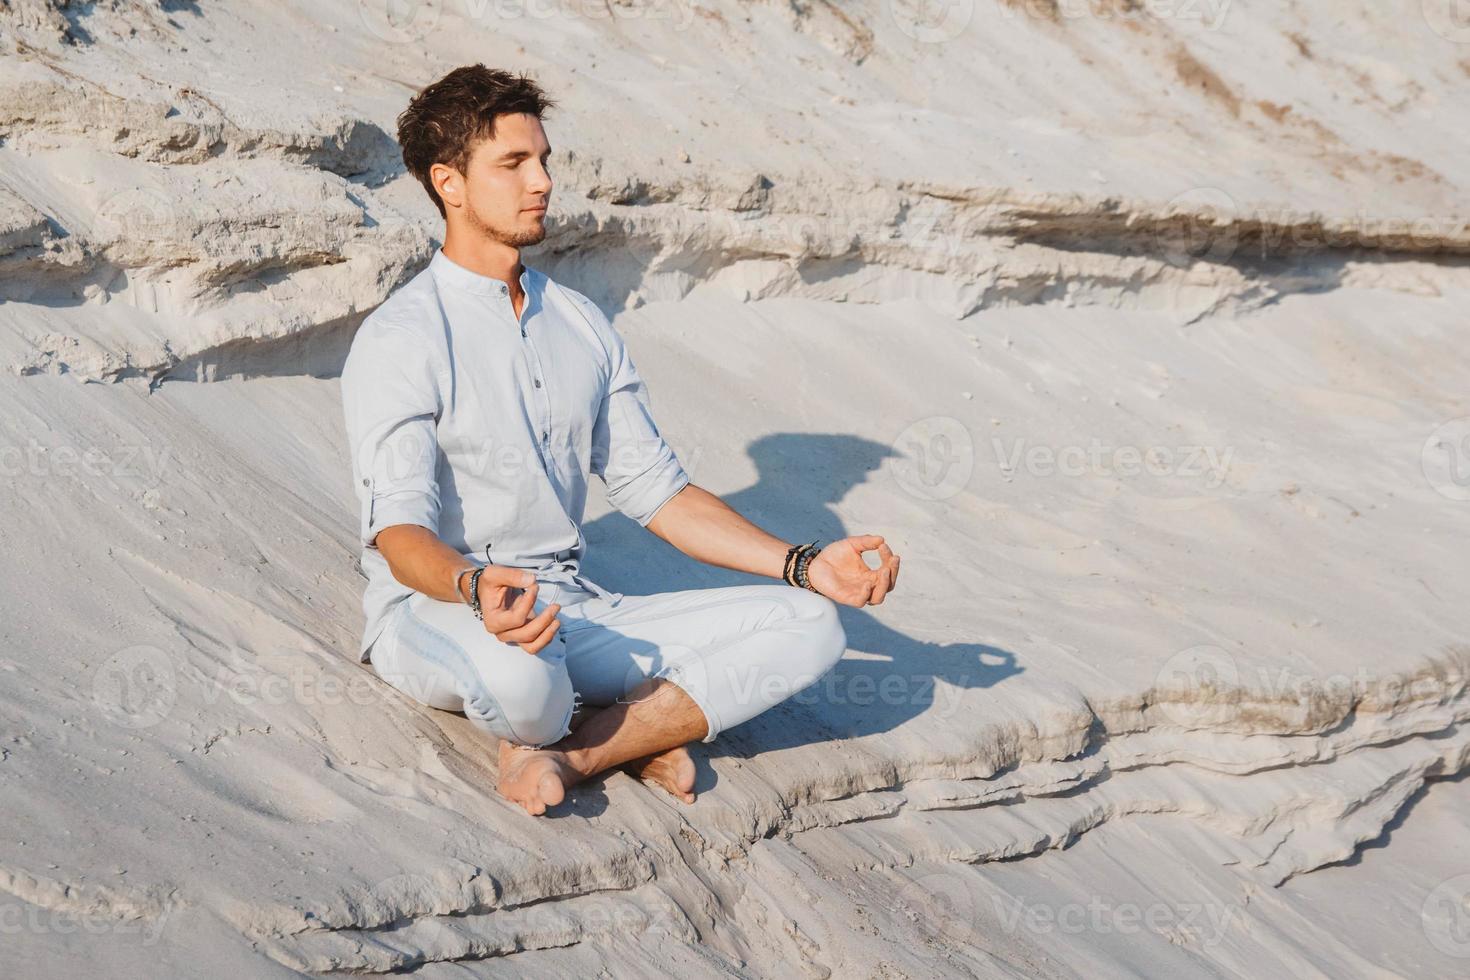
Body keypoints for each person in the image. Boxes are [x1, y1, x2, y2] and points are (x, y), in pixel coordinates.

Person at [340, 64, 901, 816]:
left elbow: (657, 492)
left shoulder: (578, 321)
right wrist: (477, 586)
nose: (540, 181)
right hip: (441, 609)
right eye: (513, 164)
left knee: (810, 626)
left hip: (575, 607)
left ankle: (582, 752)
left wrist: (804, 564)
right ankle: (622, 726)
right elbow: (399, 533)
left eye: (544, 160)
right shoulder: (402, 336)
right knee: (525, 686)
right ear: (449, 182)